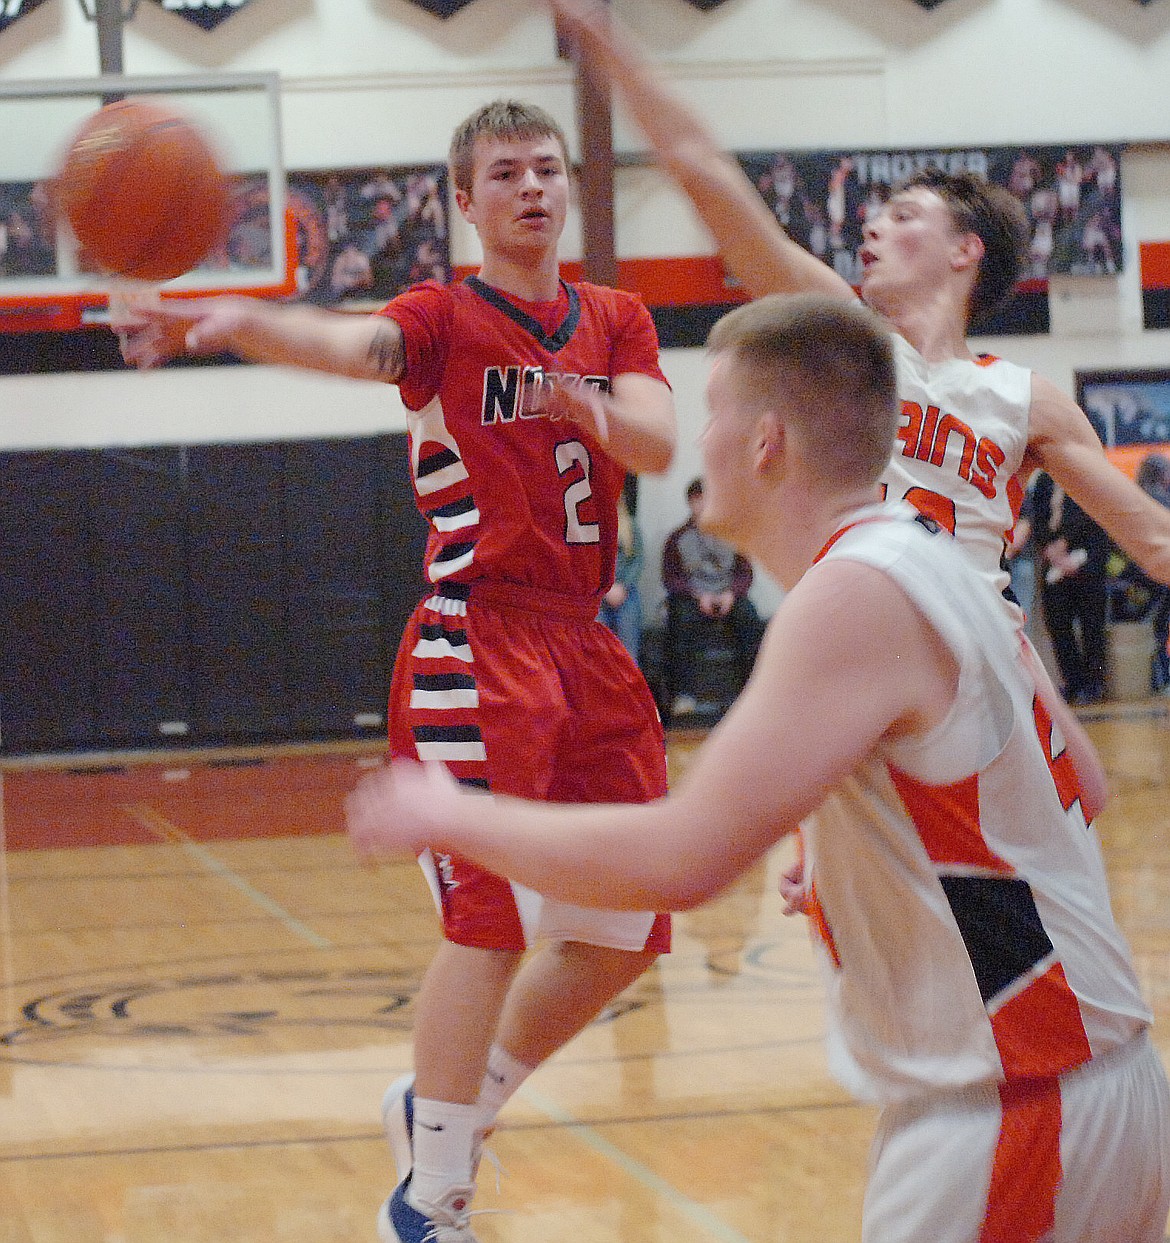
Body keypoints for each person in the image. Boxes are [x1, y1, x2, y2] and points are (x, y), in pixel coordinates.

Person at [348, 294, 1170, 1243]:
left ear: (768, 441)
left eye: (714, 417)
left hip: (1015, 1108)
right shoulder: (938, 563)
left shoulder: (852, 592)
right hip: (1106, 1089)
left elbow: (680, 858)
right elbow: (1083, 785)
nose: (700, 444)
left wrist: (450, 814)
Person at [113, 99, 677, 1243]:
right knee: (489, 923)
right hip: (480, 640)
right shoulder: (441, 315)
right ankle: (431, 1198)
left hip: (589, 640)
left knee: (625, 926)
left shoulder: (615, 318)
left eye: (546, 168)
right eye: (505, 174)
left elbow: (661, 443)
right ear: (463, 203)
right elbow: (350, 346)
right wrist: (233, 320)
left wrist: (588, 399)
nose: (532, 187)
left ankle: (447, 1112)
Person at [546, 0, 1170, 611]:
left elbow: (1155, 539)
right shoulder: (849, 341)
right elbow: (708, 178)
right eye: (875, 215)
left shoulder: (1028, 400)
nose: (872, 227)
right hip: (855, 642)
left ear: (965, 250)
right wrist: (612, 50)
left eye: (903, 217)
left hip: (975, 667)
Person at [661, 475, 764, 717]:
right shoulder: (677, 539)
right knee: (680, 621)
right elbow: (671, 578)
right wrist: (698, 596)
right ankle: (683, 695)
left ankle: (751, 693)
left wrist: (731, 594)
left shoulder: (733, 534)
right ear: (690, 503)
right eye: (698, 500)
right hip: (693, 598)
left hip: (727, 595)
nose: (704, 505)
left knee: (750, 620)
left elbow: (745, 573)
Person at [1032, 471, 1111, 705]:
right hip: (1054, 563)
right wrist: (1048, 548)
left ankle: (1094, 684)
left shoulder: (1086, 476)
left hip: (1086, 559)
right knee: (1058, 624)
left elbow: (1090, 516)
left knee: (1091, 626)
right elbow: (1036, 516)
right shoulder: (1045, 480)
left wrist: (1065, 543)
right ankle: (1073, 682)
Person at [598, 481, 645, 662]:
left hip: (625, 592)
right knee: (597, 651)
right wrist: (605, 589)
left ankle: (629, 687)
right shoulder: (590, 527)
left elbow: (637, 560)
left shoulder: (631, 526)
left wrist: (623, 586)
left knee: (628, 652)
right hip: (598, 593)